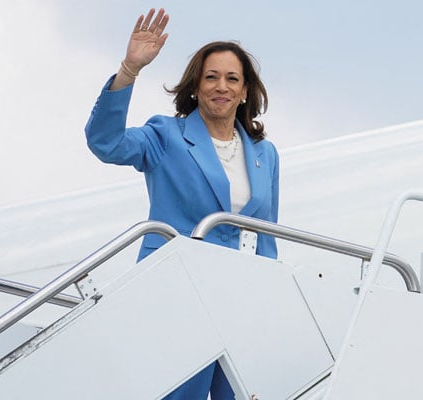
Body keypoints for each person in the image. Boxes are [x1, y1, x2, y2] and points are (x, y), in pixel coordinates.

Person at [84, 8, 279, 400]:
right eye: (211, 77)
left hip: (239, 297)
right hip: (178, 292)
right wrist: (129, 70)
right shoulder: (166, 135)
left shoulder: (265, 153)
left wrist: (270, 298)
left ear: (244, 91)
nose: (220, 86)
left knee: (242, 393)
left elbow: (267, 234)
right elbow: (106, 143)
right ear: (195, 86)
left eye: (231, 79)